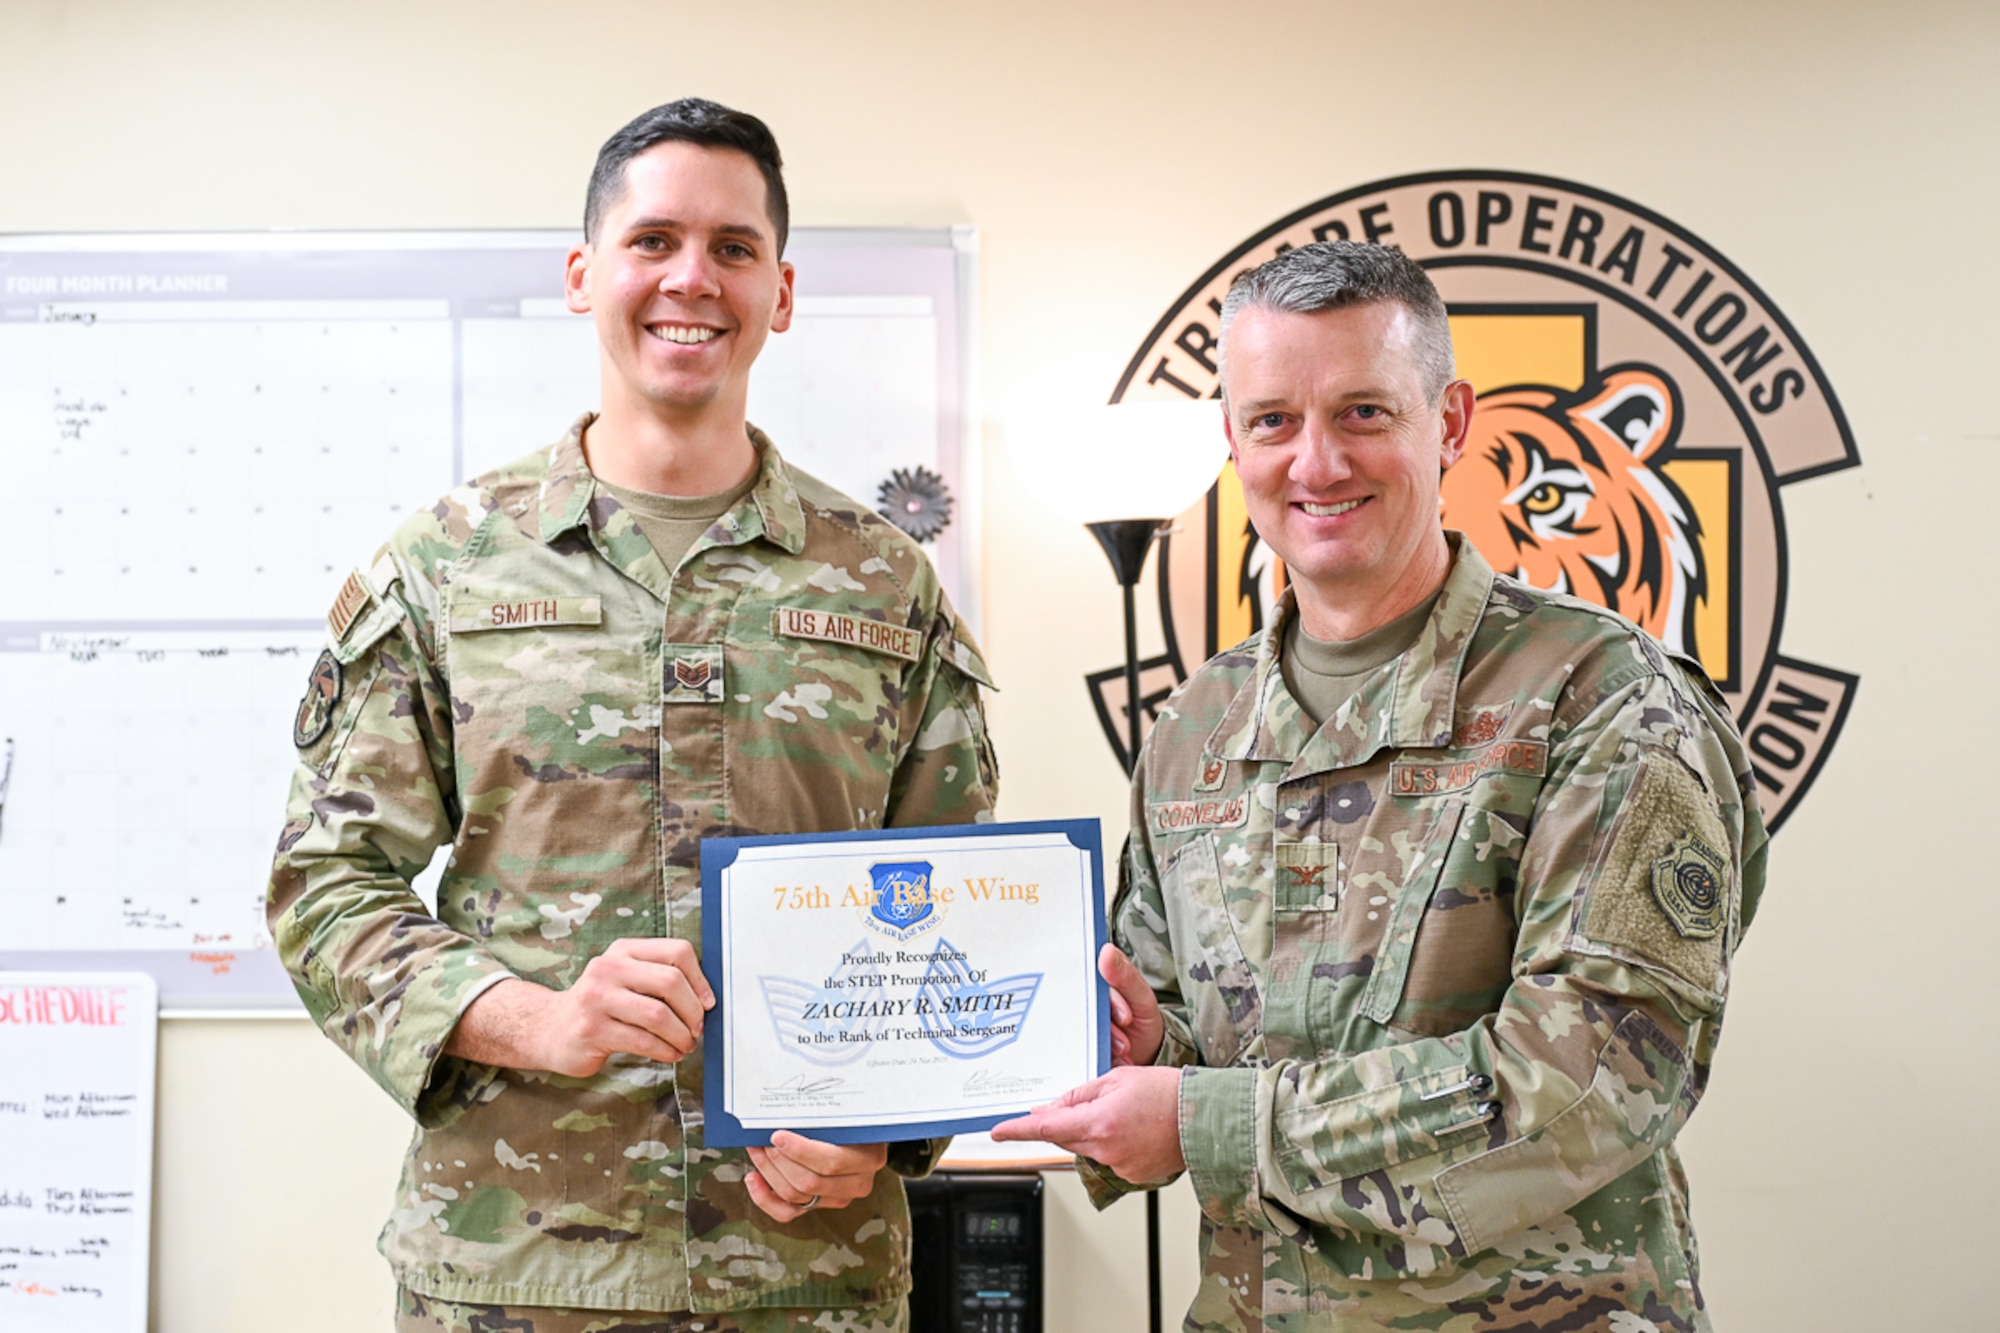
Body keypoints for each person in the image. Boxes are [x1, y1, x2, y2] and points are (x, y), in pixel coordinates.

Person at [268, 98, 998, 1333]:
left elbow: (952, 911)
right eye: (652, 239)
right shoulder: (446, 566)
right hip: (514, 1275)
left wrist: (888, 1132)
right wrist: (538, 1019)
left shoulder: (881, 581)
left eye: (732, 248)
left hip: (804, 1275)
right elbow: (326, 887)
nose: (690, 279)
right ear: (582, 274)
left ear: (780, 289)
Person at [993, 241, 1766, 1331]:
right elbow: (1182, 1033)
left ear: (1446, 423)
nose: (1314, 462)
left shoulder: (1600, 698)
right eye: (1271, 420)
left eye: (1361, 412)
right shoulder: (1193, 730)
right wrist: (1138, 1050)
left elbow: (1591, 1086)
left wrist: (1205, 1119)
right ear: (1232, 440)